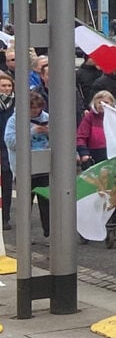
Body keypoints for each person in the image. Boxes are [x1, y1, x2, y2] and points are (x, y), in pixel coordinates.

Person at [4, 91, 50, 237]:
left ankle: (50, 233)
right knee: (25, 204)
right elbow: (11, 142)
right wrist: (32, 131)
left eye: (39, 108)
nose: (36, 111)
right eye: (33, 108)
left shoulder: (47, 117)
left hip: (44, 165)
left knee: (47, 203)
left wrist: (50, 132)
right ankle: (23, 237)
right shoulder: (14, 120)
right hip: (23, 167)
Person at [77, 90, 115, 166]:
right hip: (95, 155)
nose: (102, 105)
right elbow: (81, 137)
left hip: (114, 153)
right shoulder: (89, 117)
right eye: (99, 103)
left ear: (111, 104)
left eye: (106, 102)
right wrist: (84, 154)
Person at [0, 73, 14, 229]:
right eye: (4, 86)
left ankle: (5, 217)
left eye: (9, 86)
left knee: (6, 183)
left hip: (8, 147)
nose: (7, 89)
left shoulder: (17, 103)